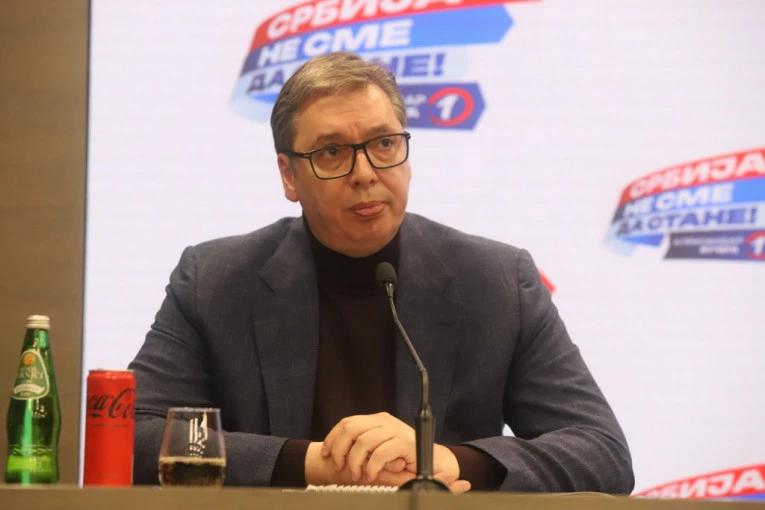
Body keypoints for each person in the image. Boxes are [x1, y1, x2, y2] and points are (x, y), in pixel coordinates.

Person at [129, 51, 634, 493]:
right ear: (289, 175)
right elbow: (133, 435)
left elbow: (601, 452)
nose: (366, 173)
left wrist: (446, 461)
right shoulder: (215, 281)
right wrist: (315, 463)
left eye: (384, 144)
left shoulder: (498, 281)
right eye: (332, 153)